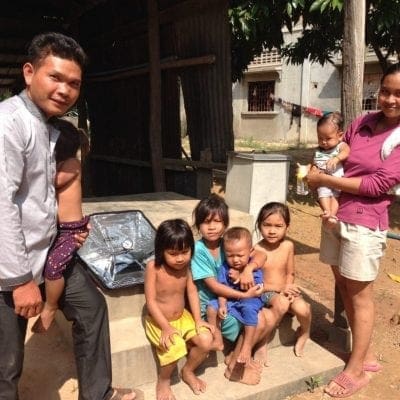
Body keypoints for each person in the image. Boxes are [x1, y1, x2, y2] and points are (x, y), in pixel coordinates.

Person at [0, 32, 136, 400]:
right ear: (29, 73)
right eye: (55, 77)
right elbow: (3, 205)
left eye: (73, 83)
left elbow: (45, 193)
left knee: (91, 310)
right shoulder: (8, 124)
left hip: (46, 252)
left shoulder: (52, 128)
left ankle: (97, 392)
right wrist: (20, 280)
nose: (64, 89)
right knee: (6, 363)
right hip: (10, 267)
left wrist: (67, 230)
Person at [306, 63, 400, 398]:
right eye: (386, 90)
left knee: (360, 297)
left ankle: (356, 369)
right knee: (344, 285)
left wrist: (323, 180)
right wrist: (318, 169)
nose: (389, 99)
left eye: (398, 94)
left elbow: (378, 185)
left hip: (365, 221)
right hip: (335, 216)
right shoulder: (363, 122)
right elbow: (336, 148)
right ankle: (366, 355)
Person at [191, 194, 275, 385]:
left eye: (217, 222)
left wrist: (248, 269)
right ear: (198, 226)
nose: (212, 227)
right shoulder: (199, 250)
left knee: (268, 316)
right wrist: (245, 294)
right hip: (213, 306)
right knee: (260, 320)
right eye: (205, 222)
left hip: (233, 301)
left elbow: (260, 254)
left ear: (225, 224)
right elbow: (214, 286)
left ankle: (233, 358)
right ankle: (235, 369)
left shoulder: (228, 242)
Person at [144, 219, 214, 400]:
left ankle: (188, 371)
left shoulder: (186, 267)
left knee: (206, 339)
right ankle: (164, 380)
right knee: (175, 346)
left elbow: (191, 292)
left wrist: (198, 320)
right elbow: (150, 301)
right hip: (159, 321)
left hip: (183, 318)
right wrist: (166, 327)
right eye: (173, 253)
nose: (180, 258)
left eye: (185, 252)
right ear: (161, 250)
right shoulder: (154, 268)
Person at [32, 119, 90, 333]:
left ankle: (50, 306)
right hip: (61, 228)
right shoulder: (62, 164)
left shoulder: (72, 165)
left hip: (71, 229)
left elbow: (50, 182)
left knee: (53, 268)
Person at [253, 202, 311, 358]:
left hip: (286, 288)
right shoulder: (256, 250)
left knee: (303, 309)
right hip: (266, 292)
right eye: (267, 225)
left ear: (287, 227)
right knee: (282, 303)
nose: (272, 231)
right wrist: (280, 290)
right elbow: (257, 283)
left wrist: (289, 287)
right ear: (259, 225)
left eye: (278, 226)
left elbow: (290, 272)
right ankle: (262, 341)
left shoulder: (288, 246)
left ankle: (305, 332)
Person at [207, 227, 264, 366]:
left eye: (240, 255)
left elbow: (257, 289)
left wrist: (239, 277)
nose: (236, 260)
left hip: (251, 299)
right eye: (230, 255)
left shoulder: (253, 268)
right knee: (211, 307)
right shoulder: (225, 268)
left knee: (250, 311)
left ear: (250, 252)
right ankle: (216, 337)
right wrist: (221, 304)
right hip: (231, 300)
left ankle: (247, 346)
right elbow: (222, 289)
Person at [313, 112, 350, 224]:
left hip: (337, 180)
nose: (323, 142)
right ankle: (327, 211)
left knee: (335, 197)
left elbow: (346, 152)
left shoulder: (340, 145)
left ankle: (333, 215)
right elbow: (314, 162)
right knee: (322, 193)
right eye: (320, 138)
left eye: (328, 138)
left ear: (339, 135)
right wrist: (313, 169)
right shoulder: (318, 150)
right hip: (323, 180)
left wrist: (336, 158)